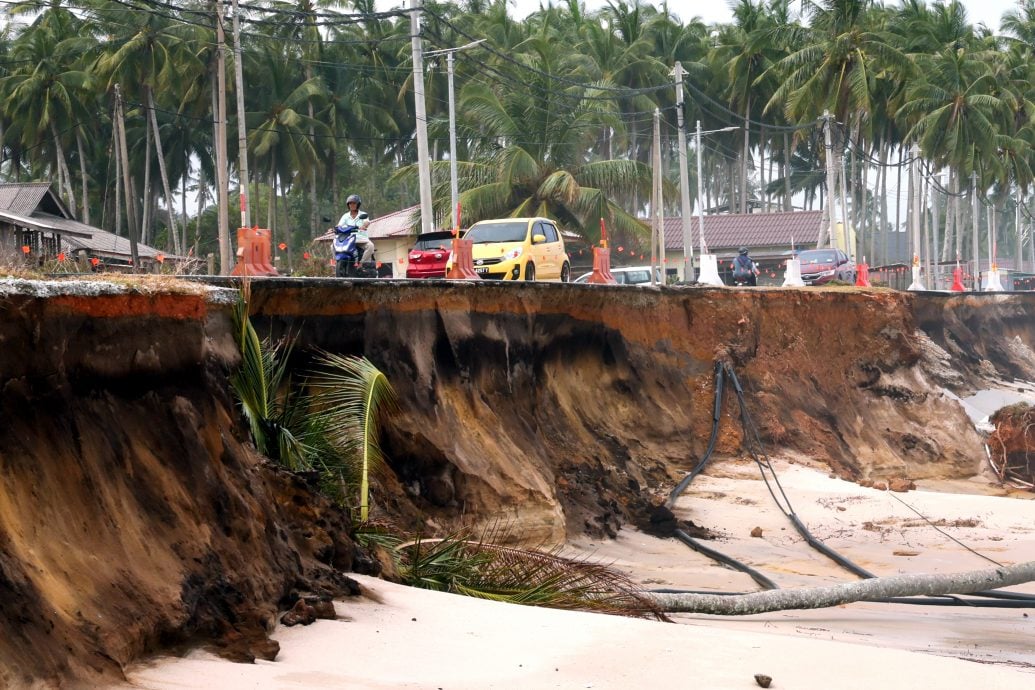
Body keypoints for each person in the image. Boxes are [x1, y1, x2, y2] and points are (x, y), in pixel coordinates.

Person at [337, 194, 375, 264]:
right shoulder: (345, 216)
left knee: (370, 246)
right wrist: (333, 229)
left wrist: (364, 226)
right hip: (348, 240)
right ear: (348, 205)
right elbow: (339, 225)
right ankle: (336, 263)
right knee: (332, 246)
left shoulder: (363, 214)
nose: (352, 205)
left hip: (360, 239)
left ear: (358, 204)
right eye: (350, 203)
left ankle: (362, 264)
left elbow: (366, 222)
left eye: (354, 203)